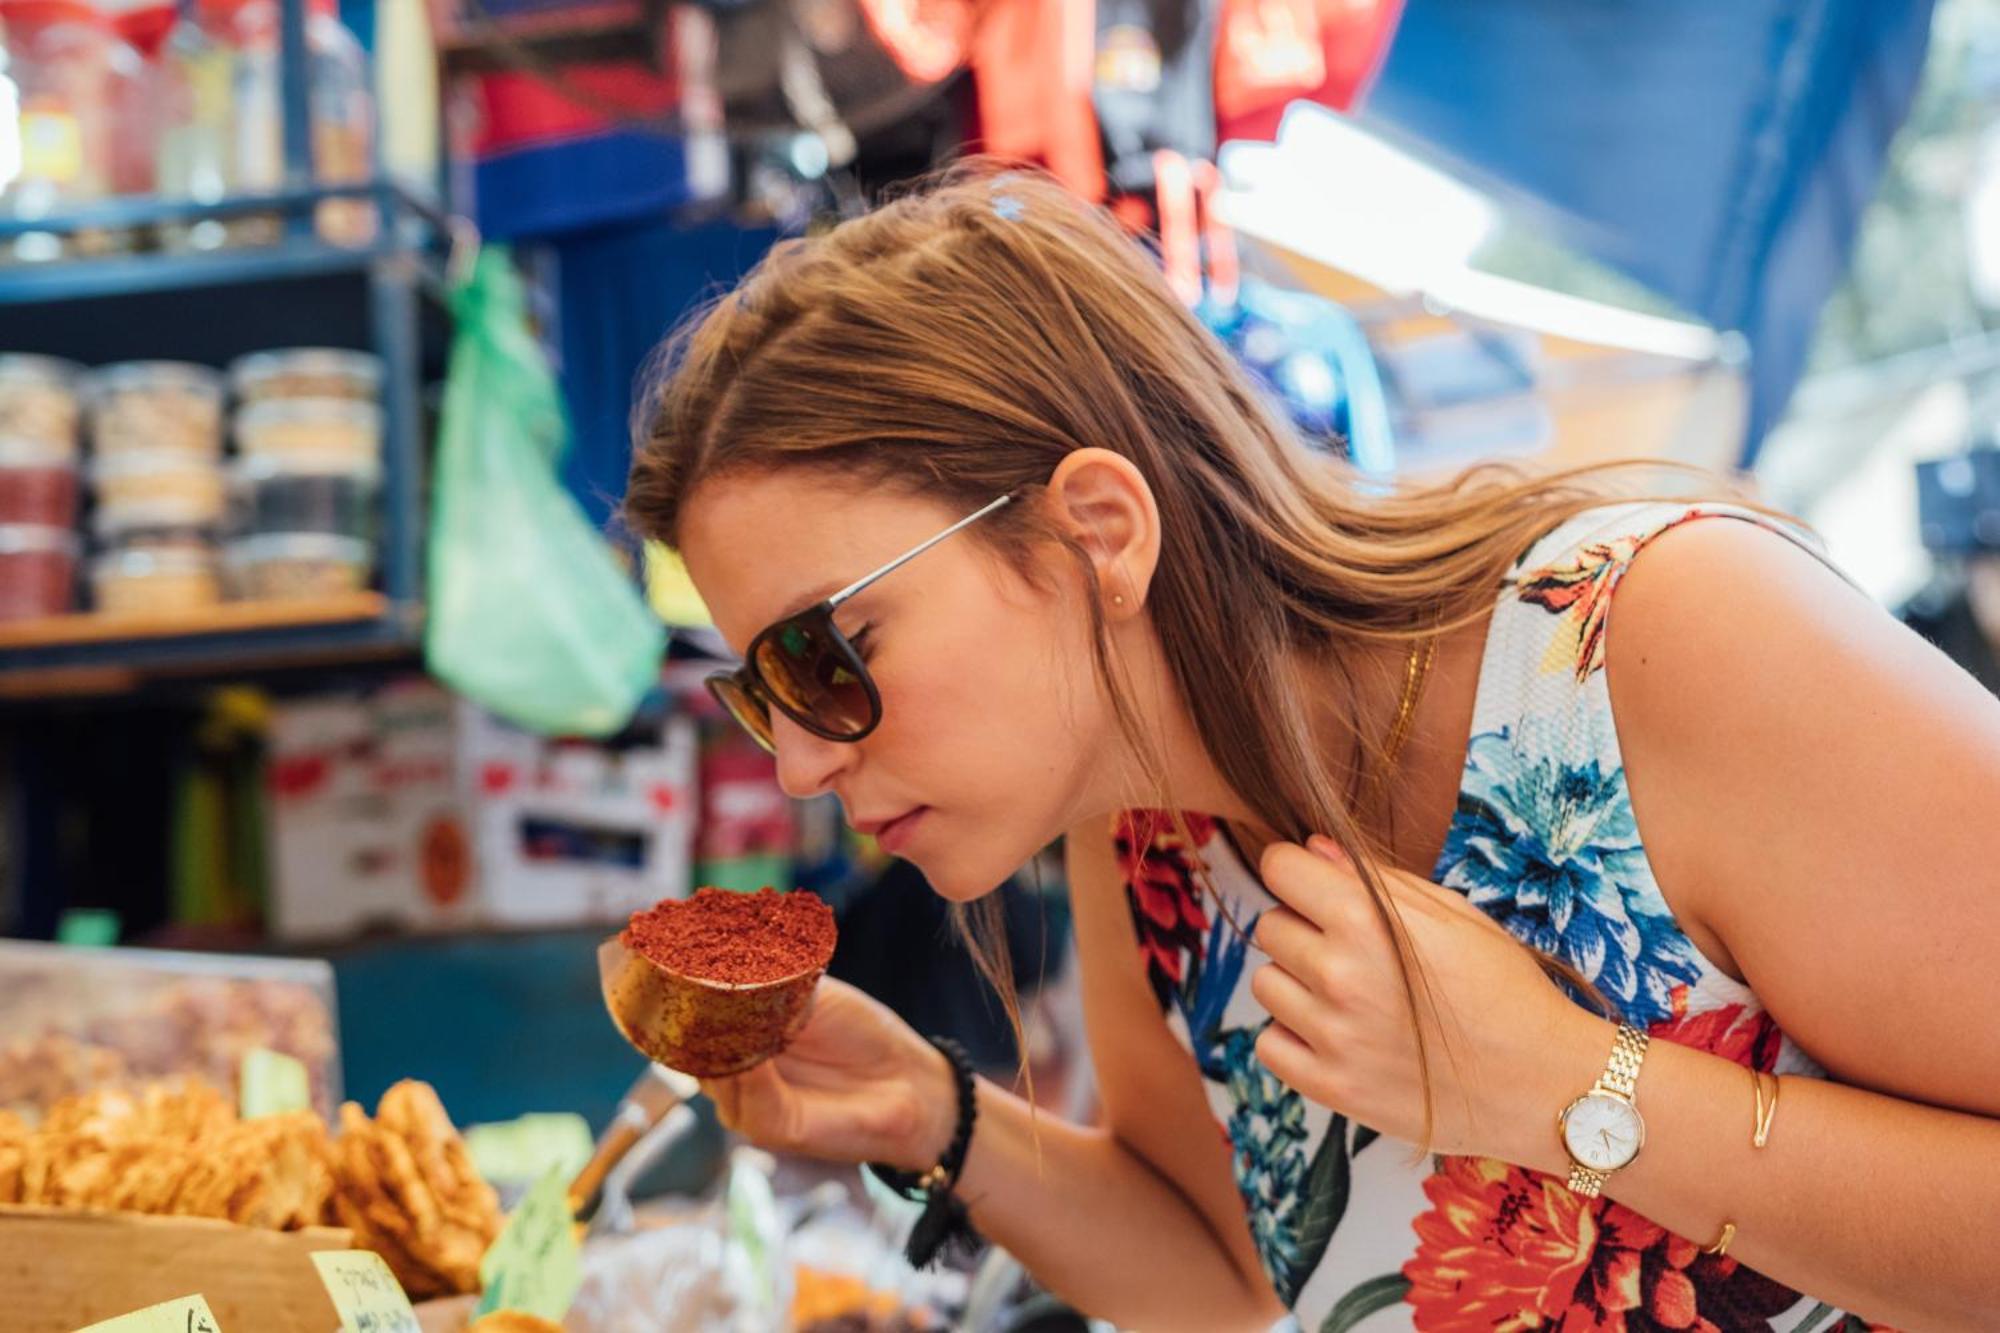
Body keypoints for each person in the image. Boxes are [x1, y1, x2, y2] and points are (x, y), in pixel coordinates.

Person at [621, 168, 2000, 1331]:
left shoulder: (1650, 638)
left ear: (1098, 529)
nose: (799, 764)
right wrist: (940, 1116)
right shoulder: (1149, 830)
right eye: (761, 693)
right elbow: (1233, 1285)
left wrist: (1555, 1087)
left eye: (828, 656)